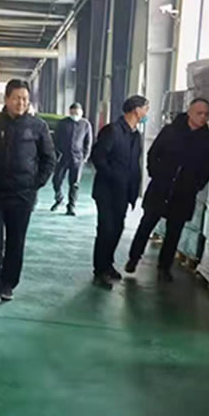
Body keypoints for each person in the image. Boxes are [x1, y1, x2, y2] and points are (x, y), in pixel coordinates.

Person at [0, 79, 55, 306]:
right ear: (6, 99)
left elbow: (49, 158)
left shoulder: (38, 126)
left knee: (15, 241)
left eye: (25, 99)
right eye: (16, 98)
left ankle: (7, 284)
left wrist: (35, 184)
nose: (21, 103)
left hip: (22, 196)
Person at [125, 98, 209, 282]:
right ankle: (133, 258)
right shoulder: (171, 131)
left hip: (184, 193)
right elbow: (154, 154)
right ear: (189, 112)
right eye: (199, 113)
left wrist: (196, 185)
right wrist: (156, 174)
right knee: (146, 225)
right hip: (161, 188)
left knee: (174, 232)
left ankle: (164, 267)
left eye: (206, 114)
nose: (203, 117)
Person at [90, 94, 149, 289]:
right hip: (107, 191)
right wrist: (114, 177)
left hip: (124, 193)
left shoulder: (135, 135)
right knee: (106, 230)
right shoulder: (112, 131)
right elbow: (98, 157)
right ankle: (100, 270)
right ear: (136, 110)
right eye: (145, 108)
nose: (146, 113)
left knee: (117, 229)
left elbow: (134, 164)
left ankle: (108, 264)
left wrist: (134, 188)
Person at [51, 102, 93, 216]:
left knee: (74, 184)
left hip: (77, 159)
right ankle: (59, 198)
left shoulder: (85, 124)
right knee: (56, 180)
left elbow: (88, 142)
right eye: (73, 112)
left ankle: (71, 206)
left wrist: (85, 157)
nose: (75, 115)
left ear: (81, 113)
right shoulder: (62, 123)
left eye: (77, 113)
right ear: (70, 112)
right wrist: (57, 153)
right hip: (63, 157)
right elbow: (55, 139)